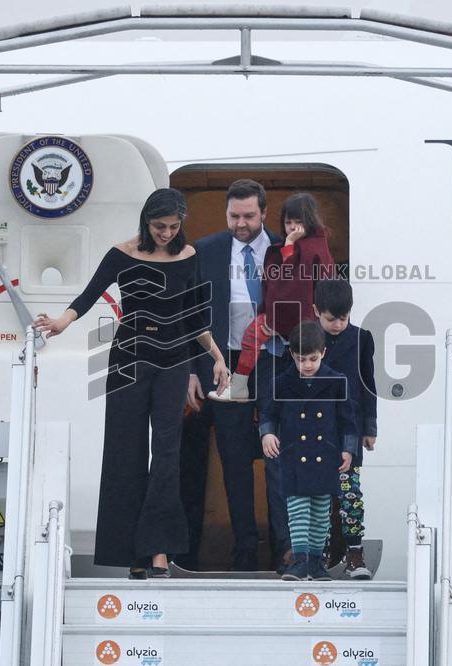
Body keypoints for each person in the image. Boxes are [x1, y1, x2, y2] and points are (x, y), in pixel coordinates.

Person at [33, 188, 229, 580]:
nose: (167, 233)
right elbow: (88, 296)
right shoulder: (121, 254)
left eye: (174, 227)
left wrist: (217, 355)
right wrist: (61, 323)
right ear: (146, 222)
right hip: (129, 359)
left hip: (173, 360)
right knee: (126, 451)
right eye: (160, 226)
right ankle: (132, 553)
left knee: (167, 454)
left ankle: (158, 550)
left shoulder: (188, 256)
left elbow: (193, 317)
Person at [183, 179, 291, 571]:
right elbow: (189, 313)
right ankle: (244, 547)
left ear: (264, 212)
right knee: (232, 458)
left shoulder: (285, 249)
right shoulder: (206, 250)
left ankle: (286, 547)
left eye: (248, 216)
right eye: (234, 216)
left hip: (275, 361)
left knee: (281, 455)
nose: (241, 223)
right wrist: (193, 370)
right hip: (225, 364)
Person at [209, 192, 335, 402]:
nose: (293, 228)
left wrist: (276, 319)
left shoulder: (306, 249)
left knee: (252, 339)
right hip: (291, 318)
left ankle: (239, 387)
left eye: (298, 222)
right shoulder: (310, 247)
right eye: (288, 222)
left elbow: (290, 282)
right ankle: (240, 387)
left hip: (288, 317)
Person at [259, 320, 358, 581]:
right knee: (297, 509)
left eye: (313, 359)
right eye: (301, 359)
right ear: (292, 354)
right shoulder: (282, 382)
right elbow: (268, 412)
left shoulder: (337, 381)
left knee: (321, 511)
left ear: (323, 353)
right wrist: (267, 433)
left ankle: (316, 562)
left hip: (326, 454)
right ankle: (300, 560)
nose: (307, 365)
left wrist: (348, 450)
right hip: (294, 454)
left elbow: (348, 420)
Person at [312, 279, 378, 579]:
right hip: (312, 428)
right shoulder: (306, 338)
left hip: (348, 427)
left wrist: (369, 427)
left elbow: (368, 384)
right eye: (330, 318)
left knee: (350, 493)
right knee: (317, 495)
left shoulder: (363, 338)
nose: (337, 324)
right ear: (316, 312)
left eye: (343, 318)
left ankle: (354, 551)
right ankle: (319, 554)